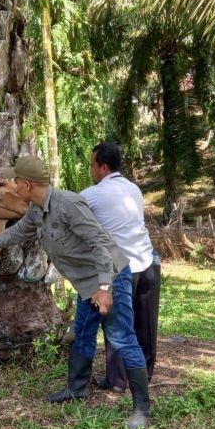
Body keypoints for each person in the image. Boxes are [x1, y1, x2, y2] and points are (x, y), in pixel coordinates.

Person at [0, 155, 151, 429]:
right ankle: (77, 388)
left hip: (109, 277)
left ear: (27, 184)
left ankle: (141, 409)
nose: (13, 186)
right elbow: (19, 232)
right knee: (83, 333)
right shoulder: (36, 209)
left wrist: (104, 289)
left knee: (122, 338)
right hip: (86, 284)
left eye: (15, 182)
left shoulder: (68, 204)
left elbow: (100, 244)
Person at [81, 142, 161, 393]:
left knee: (117, 325)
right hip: (147, 262)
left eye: (93, 165)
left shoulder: (91, 195)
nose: (92, 170)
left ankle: (116, 381)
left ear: (103, 167)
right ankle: (143, 375)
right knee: (146, 324)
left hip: (122, 269)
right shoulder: (134, 189)